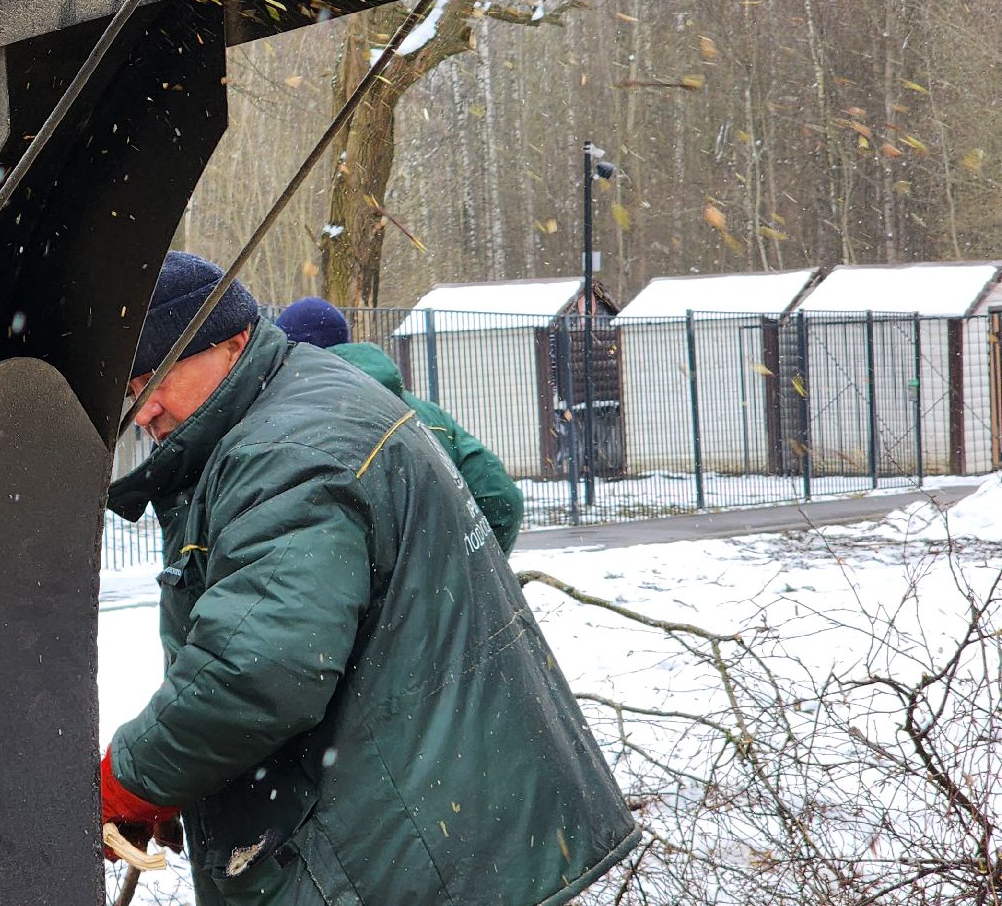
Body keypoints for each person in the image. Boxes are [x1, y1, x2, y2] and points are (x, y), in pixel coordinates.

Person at [100, 252, 637, 905]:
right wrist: (178, 775)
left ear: (233, 343)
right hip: (435, 818)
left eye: (157, 378)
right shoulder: (297, 406)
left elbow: (258, 670)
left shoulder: (287, 452)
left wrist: (131, 778)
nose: (145, 410)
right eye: (132, 391)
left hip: (401, 848)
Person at [275, 295, 526, 553]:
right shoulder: (426, 414)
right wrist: (467, 568)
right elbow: (502, 499)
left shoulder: (305, 425)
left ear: (296, 353)